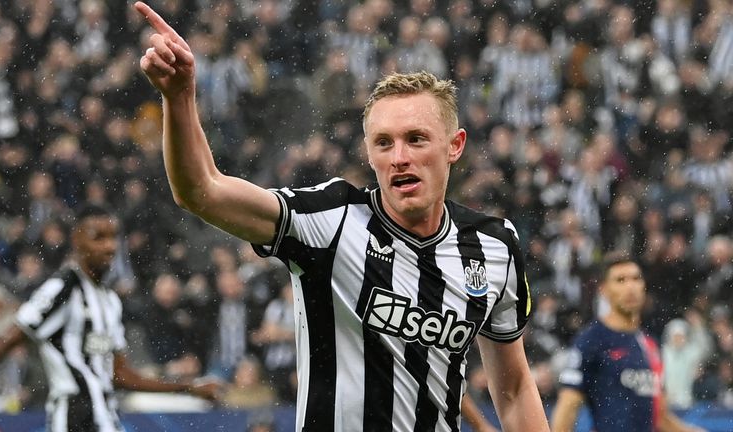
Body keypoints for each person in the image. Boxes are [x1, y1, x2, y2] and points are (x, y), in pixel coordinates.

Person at [134, 2, 548, 431]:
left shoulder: (493, 245)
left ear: (454, 145)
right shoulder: (330, 221)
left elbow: (515, 388)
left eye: (416, 139)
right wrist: (179, 97)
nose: (400, 157)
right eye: (384, 143)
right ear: (369, 153)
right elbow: (202, 191)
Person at [0, 203, 221, 432]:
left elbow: (121, 376)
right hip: (73, 419)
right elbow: (12, 337)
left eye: (113, 238)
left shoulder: (110, 301)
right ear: (77, 240)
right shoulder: (63, 286)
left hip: (106, 418)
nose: (109, 247)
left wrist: (188, 387)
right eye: (99, 237)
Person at [550, 254, 706, 432]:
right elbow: (568, 406)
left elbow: (660, 418)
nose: (630, 287)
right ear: (603, 289)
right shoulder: (591, 341)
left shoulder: (650, 345)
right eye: (620, 280)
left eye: (636, 278)